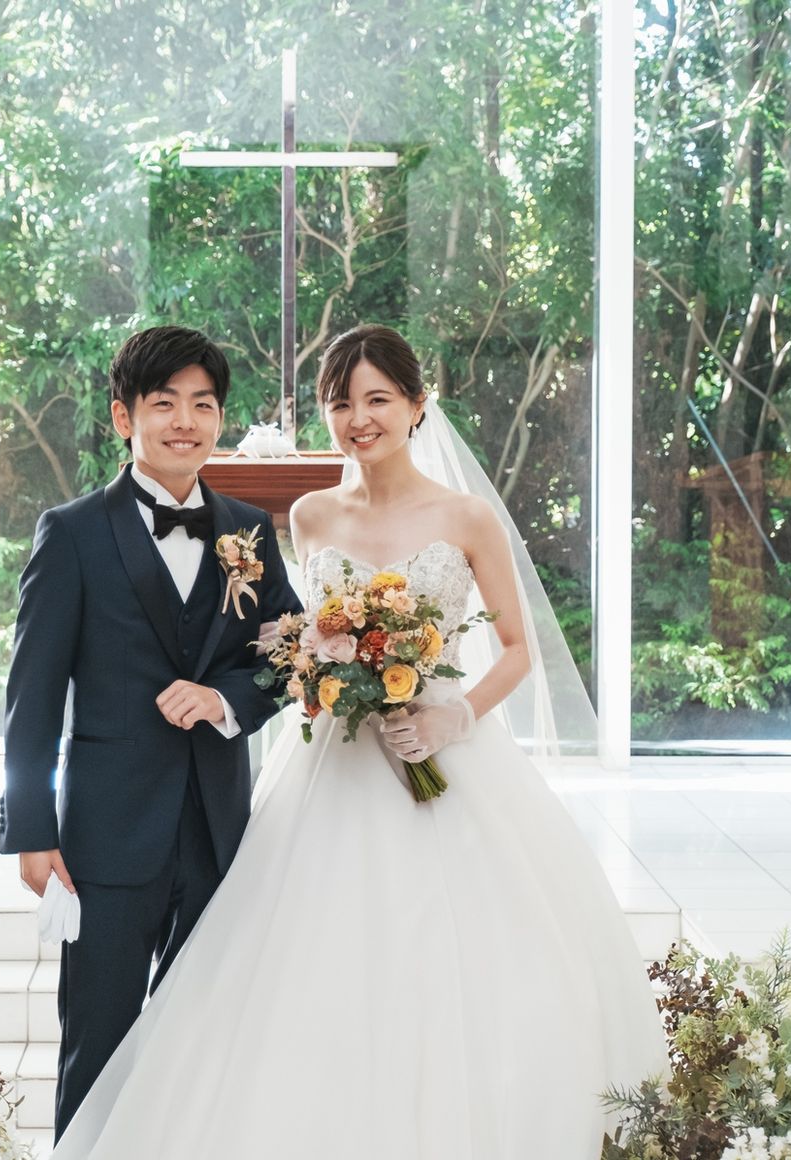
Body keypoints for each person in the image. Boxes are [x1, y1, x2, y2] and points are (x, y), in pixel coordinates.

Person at [52, 324, 669, 1159]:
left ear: (418, 405)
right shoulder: (309, 517)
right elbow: (284, 642)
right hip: (333, 765)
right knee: (302, 966)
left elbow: (517, 650)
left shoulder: (467, 516)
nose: (358, 418)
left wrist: (454, 716)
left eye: (377, 399)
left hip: (443, 757)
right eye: (340, 402)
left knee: (472, 966)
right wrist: (319, 672)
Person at [0, 325, 302, 1141]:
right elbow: (32, 696)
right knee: (97, 1041)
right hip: (105, 835)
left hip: (217, 829)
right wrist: (31, 830)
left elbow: (292, 652)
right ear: (123, 416)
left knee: (203, 1041)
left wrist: (224, 698)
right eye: (164, 403)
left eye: (203, 404)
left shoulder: (248, 530)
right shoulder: (71, 532)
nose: (185, 422)